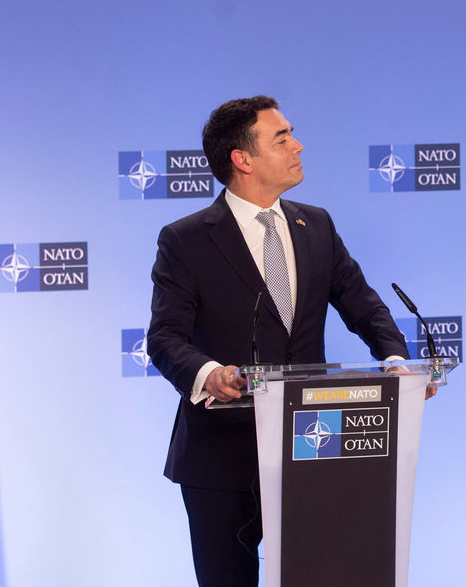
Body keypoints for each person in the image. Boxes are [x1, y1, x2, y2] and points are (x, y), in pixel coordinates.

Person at [146, 95, 412, 587]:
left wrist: (395, 358)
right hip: (222, 458)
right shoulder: (185, 240)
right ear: (242, 160)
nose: (299, 146)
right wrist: (211, 374)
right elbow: (164, 337)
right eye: (282, 138)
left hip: (315, 447)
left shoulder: (317, 224)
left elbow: (362, 304)